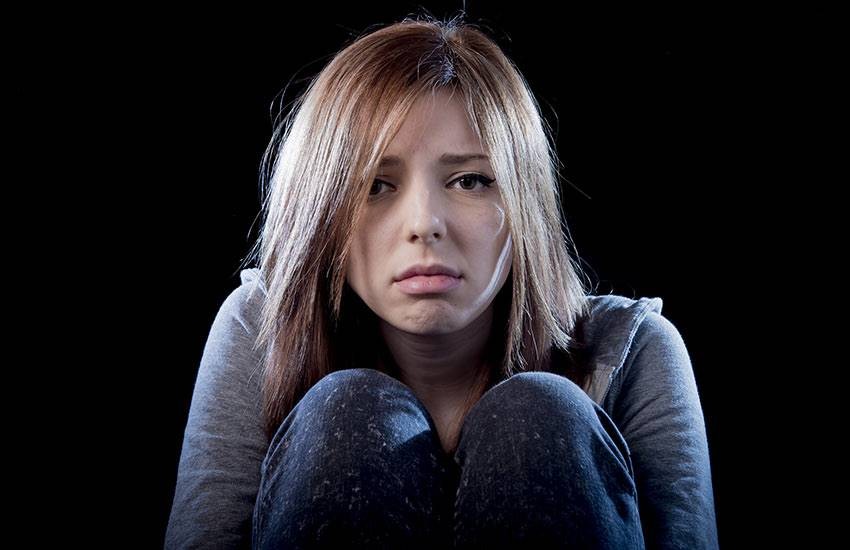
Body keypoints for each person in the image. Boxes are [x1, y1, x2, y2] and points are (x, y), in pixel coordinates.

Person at [165, 12, 719, 550]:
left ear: (524, 201)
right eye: (375, 185)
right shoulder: (261, 331)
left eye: (470, 180)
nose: (424, 224)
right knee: (348, 412)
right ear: (320, 207)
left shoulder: (632, 353)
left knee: (540, 412)